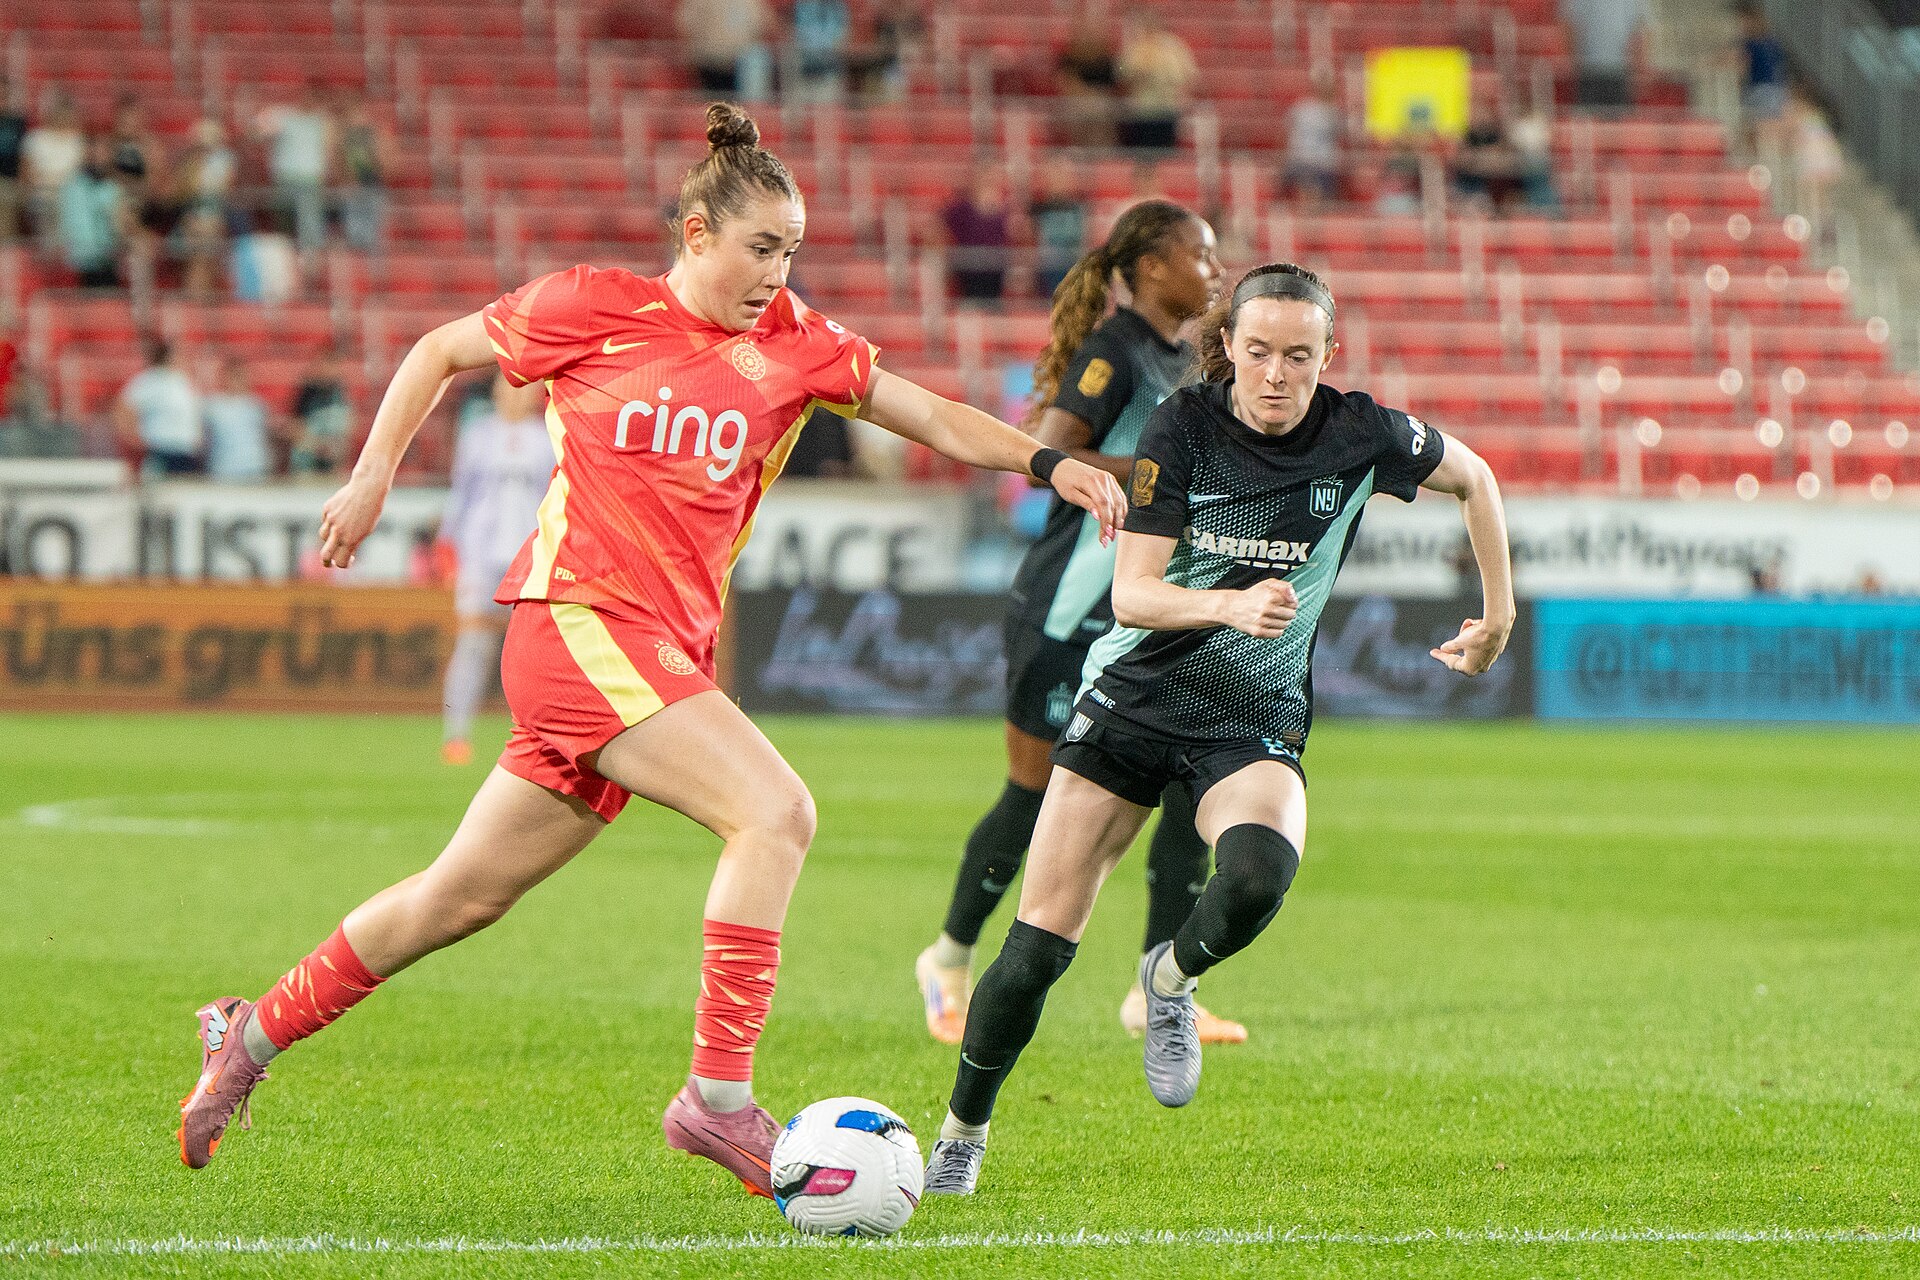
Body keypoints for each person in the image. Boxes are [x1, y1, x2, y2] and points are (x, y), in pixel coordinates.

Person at [174, 103, 1126, 1199]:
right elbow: (441, 350)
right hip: (574, 621)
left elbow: (931, 414)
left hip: (647, 651)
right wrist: (375, 472)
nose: (779, 270)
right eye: (762, 247)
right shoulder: (592, 307)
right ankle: (716, 1102)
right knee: (776, 811)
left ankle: (246, 1036)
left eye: (793, 249)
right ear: (695, 235)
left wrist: (1048, 465)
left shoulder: (796, 345)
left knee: (455, 898)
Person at [922, 263, 1515, 1195]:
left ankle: (1171, 978)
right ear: (1230, 347)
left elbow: (1475, 477)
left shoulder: (1363, 432)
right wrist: (1232, 607)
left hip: (1252, 715)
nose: (1277, 375)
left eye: (1300, 356)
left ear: (1328, 356)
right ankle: (963, 1128)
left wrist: (1499, 614)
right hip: (1133, 703)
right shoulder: (1184, 426)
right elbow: (1134, 593)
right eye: (1260, 352)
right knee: (1036, 950)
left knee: (1257, 874)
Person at [915, 198, 1255, 1048]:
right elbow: (1052, 448)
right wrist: (1159, 470)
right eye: (1199, 254)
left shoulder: (1190, 360)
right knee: (1032, 800)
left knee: (1188, 788)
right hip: (1068, 615)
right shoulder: (1114, 353)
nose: (1214, 270)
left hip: (1147, 617)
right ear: (1147, 267)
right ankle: (949, 958)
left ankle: (1155, 985)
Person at [440, 374, 557, 764]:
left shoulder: (547, 439)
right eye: (507, 388)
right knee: (473, 644)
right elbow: (462, 493)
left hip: (530, 557)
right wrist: (448, 544)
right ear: (495, 392)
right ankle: (456, 735)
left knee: (532, 650)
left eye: (521, 389)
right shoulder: (477, 436)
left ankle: (537, 739)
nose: (513, 396)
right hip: (480, 555)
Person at [259, 82, 335, 262]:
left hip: (310, 179)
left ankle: (309, 259)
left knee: (308, 220)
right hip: (285, 177)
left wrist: (328, 172)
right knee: (284, 219)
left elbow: (329, 149)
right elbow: (257, 133)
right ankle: (285, 256)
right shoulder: (283, 115)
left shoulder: (323, 122)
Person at [115, 337, 202, 476]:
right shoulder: (150, 380)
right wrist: (134, 439)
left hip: (185, 451)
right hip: (161, 450)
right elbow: (123, 409)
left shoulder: (181, 381)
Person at [1116, 11, 1197, 151]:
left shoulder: (1174, 47)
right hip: (1141, 111)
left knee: (1165, 153)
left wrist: (1182, 101)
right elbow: (1122, 73)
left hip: (1167, 109)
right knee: (1141, 153)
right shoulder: (1135, 47)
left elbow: (1187, 76)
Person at [58, 137, 127, 288]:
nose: (98, 158)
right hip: (79, 261)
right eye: (94, 152)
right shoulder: (72, 186)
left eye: (103, 153)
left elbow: (121, 225)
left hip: (107, 259)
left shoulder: (114, 188)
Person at [941, 165, 1012, 305]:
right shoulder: (960, 209)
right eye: (984, 176)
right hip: (967, 274)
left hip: (996, 274)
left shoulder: (1005, 210)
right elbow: (938, 228)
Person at [202, 356, 273, 482]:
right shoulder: (213, 406)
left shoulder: (256, 405)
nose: (237, 381)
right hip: (224, 470)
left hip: (255, 468)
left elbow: (266, 437)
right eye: (233, 376)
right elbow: (204, 440)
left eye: (241, 376)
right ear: (224, 377)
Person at [337, 94, 390, 255]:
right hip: (353, 188)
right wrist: (345, 181)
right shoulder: (345, 136)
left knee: (373, 233)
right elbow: (340, 162)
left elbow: (386, 162)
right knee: (354, 232)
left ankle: (372, 271)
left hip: (373, 186)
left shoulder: (374, 135)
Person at [288, 346, 354, 475]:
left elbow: (348, 426)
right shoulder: (307, 393)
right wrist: (317, 445)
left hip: (333, 463)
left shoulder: (341, 394)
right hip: (308, 463)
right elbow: (294, 427)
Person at [1283, 80, 1344, 206]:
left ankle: (1320, 209)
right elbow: (1284, 132)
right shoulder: (1302, 108)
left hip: (1323, 165)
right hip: (1300, 161)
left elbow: (1341, 137)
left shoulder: (1334, 113)